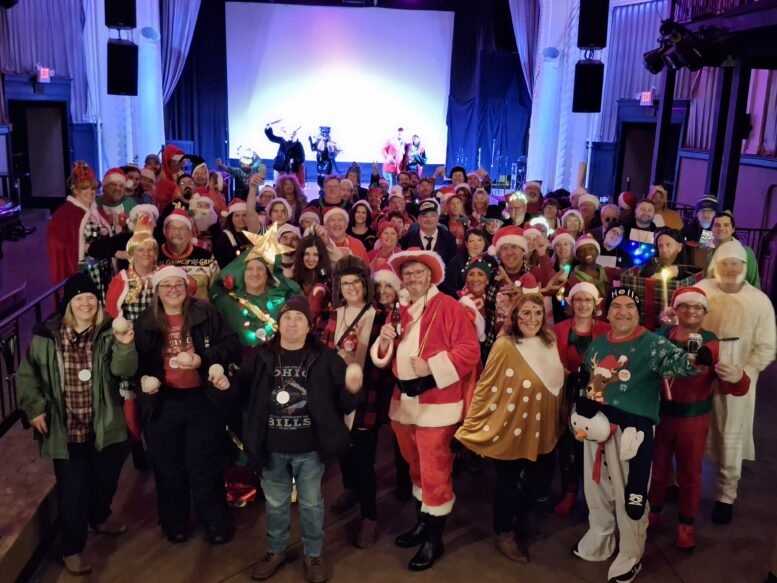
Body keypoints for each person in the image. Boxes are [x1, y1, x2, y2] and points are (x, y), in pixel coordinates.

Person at [573, 287, 703, 583]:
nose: (622, 312)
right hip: (595, 429)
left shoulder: (653, 344)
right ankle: (600, 538)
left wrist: (695, 348)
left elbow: (684, 365)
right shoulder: (598, 344)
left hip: (631, 435)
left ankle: (631, 553)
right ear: (607, 312)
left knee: (629, 496)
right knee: (597, 491)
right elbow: (590, 381)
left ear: (638, 312)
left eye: (629, 306)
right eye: (616, 306)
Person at [17, 272, 137, 576]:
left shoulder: (110, 332)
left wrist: (124, 345)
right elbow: (27, 376)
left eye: (91, 299)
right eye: (79, 299)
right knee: (73, 492)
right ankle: (71, 548)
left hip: (103, 424)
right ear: (68, 304)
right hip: (66, 429)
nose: (86, 303)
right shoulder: (46, 337)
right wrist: (35, 409)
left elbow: (125, 370)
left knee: (106, 480)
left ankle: (99, 517)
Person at [370, 248, 480, 571]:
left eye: (419, 273)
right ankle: (423, 522)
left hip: (437, 405)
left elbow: (469, 351)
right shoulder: (400, 309)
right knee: (416, 467)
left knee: (434, 471)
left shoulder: (448, 307)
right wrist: (385, 339)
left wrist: (430, 366)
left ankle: (435, 539)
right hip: (404, 404)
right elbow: (384, 358)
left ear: (430, 276)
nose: (413, 279)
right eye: (407, 274)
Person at [240, 296, 361, 582]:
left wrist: (353, 388)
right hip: (272, 449)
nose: (292, 322)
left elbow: (346, 403)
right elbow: (241, 394)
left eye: (298, 318)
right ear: (278, 325)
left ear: (309, 326)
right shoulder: (260, 356)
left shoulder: (325, 358)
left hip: (309, 449)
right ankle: (275, 550)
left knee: (311, 504)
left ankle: (314, 554)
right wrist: (221, 386)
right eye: (286, 318)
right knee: (276, 504)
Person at [456, 285, 564, 563]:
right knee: (508, 481)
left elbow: (554, 381)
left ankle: (522, 522)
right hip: (512, 425)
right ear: (514, 317)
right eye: (525, 313)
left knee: (534, 480)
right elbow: (487, 385)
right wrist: (476, 424)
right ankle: (505, 532)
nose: (532, 318)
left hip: (541, 427)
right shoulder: (505, 345)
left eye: (538, 312)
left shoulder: (549, 340)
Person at [134, 266, 239, 545]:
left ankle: (215, 520)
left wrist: (202, 360)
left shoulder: (206, 312)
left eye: (178, 285)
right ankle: (175, 521)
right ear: (157, 291)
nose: (172, 290)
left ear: (186, 287)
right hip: (163, 403)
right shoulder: (145, 321)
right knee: (168, 466)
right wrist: (145, 380)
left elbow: (230, 344)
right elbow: (136, 363)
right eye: (166, 286)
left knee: (203, 464)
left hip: (202, 399)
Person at [648, 287, 749, 550]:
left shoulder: (715, 344)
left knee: (690, 474)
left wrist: (736, 376)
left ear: (705, 312)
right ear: (675, 309)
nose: (691, 311)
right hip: (658, 418)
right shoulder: (659, 337)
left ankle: (686, 524)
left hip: (694, 421)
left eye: (697, 307)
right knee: (656, 471)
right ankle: (653, 512)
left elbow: (737, 388)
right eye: (684, 306)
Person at [696, 240, 776, 524]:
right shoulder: (701, 292)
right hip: (699, 377)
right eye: (724, 263)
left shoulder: (759, 301)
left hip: (737, 381)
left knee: (729, 436)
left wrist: (747, 372)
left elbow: (766, 346)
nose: (729, 269)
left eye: (735, 264)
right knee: (691, 431)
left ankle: (725, 495)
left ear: (744, 267)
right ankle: (681, 482)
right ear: (714, 266)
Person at [321, 257, 393, 549]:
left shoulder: (380, 316)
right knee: (343, 451)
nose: (350, 288)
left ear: (366, 285)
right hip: (336, 397)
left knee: (363, 460)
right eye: (345, 283)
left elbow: (385, 359)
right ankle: (349, 489)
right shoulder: (332, 315)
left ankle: (370, 518)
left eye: (356, 283)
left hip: (368, 396)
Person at [552, 282, 610, 516]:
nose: (583, 304)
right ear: (571, 303)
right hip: (567, 395)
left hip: (598, 399)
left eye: (588, 300)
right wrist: (565, 374)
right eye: (578, 300)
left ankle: (595, 494)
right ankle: (569, 490)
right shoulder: (559, 329)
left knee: (596, 447)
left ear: (595, 304)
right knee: (569, 446)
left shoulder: (607, 329)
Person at [104, 232, 159, 471]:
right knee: (132, 398)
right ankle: (137, 446)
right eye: (140, 250)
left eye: (150, 250)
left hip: (160, 344)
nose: (146, 255)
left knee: (157, 394)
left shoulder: (163, 273)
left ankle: (158, 444)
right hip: (132, 345)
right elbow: (111, 312)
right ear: (131, 253)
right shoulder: (123, 279)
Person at [210, 250, 301, 350]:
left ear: (268, 275)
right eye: (249, 269)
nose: (255, 273)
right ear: (242, 274)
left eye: (260, 269)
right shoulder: (227, 303)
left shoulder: (280, 301)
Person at [46, 161, 112, 285]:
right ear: (75, 190)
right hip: (85, 271)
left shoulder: (97, 209)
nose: (91, 192)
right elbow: (58, 245)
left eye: (93, 188)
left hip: (104, 269)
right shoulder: (64, 214)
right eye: (85, 188)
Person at [158, 209, 220, 299]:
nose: (177, 232)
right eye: (172, 227)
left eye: (182, 228)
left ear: (190, 233)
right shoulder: (155, 256)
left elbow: (218, 292)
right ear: (164, 231)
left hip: (200, 312)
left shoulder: (206, 257)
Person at [707, 211, 760, 288]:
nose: (721, 228)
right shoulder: (706, 251)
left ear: (733, 229)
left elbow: (754, 283)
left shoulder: (746, 252)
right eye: (717, 225)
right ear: (712, 229)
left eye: (726, 225)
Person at [292, 234, 333, 330]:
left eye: (315, 255)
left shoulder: (327, 276)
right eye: (307, 254)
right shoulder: (295, 275)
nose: (311, 259)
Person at [402, 200, 457, 265]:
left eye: (432, 216)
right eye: (425, 216)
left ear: (437, 218)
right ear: (419, 219)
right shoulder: (408, 239)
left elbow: (452, 265)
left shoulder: (449, 239)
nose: (429, 219)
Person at [97, 168, 137, 235]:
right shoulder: (94, 204)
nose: (117, 188)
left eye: (121, 186)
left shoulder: (130, 203)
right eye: (113, 184)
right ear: (105, 186)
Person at [213, 199, 251, 269]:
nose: (241, 219)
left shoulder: (255, 235)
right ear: (231, 218)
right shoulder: (223, 239)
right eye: (237, 216)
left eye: (244, 215)